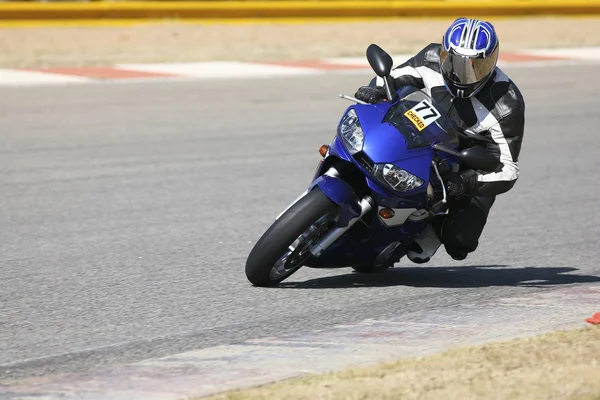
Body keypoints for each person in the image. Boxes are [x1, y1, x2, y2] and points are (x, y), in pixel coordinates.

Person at [354, 17, 525, 263]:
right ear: (444, 53)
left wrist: (466, 183)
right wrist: (377, 90)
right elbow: (394, 77)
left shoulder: (507, 104)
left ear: (492, 62)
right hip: (427, 132)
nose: (465, 74)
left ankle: (432, 227)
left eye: (478, 66)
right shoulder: (431, 58)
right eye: (456, 62)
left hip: (470, 163)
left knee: (460, 243)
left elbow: (508, 170)